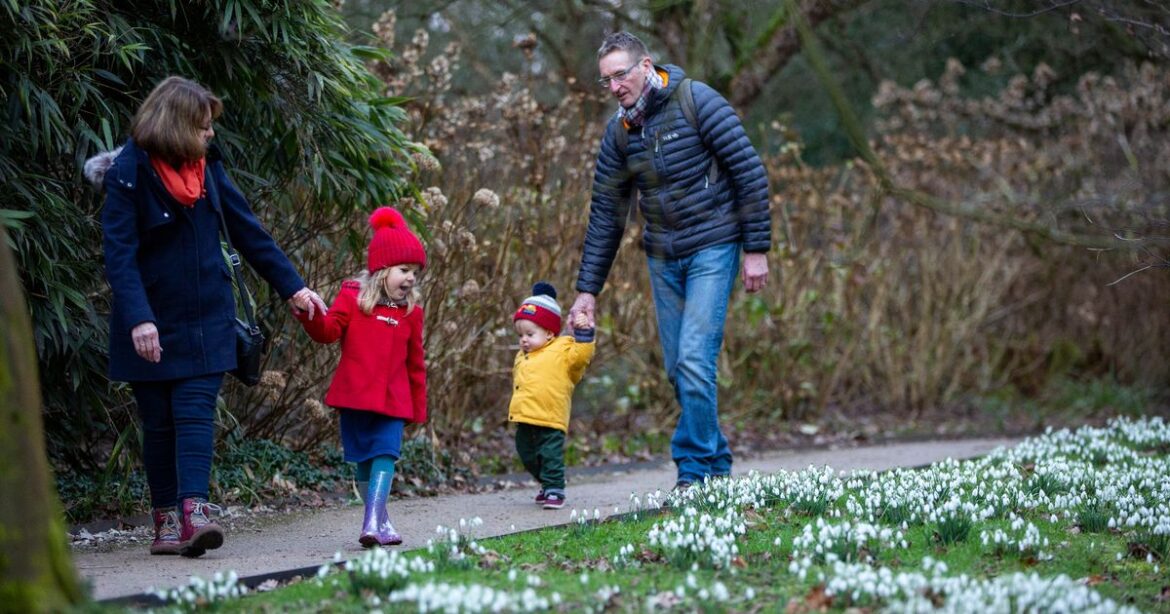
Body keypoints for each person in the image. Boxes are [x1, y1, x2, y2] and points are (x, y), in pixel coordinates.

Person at [89, 76, 328, 558]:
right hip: (150, 323)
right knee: (158, 423)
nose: (211, 134)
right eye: (203, 127)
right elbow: (120, 255)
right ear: (177, 126)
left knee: (195, 414)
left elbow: (248, 231)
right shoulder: (128, 175)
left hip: (207, 318)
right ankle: (165, 521)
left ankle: (194, 513)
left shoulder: (207, 170)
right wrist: (139, 318)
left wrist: (294, 287)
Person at [569, 32, 772, 492]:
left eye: (621, 74)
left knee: (696, 359)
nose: (615, 86)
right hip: (663, 255)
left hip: (714, 246)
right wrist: (587, 291)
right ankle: (716, 463)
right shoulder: (619, 134)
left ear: (646, 66)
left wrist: (756, 249)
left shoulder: (696, 100)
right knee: (678, 367)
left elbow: (748, 170)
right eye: (606, 80)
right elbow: (606, 215)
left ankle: (694, 471)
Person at [294, 207, 427, 547]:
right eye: (404, 270)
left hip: (394, 401)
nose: (411, 278)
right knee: (364, 462)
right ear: (382, 269)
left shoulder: (412, 314)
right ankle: (378, 522)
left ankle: (371, 521)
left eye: (415, 272)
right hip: (355, 398)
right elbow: (327, 331)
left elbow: (416, 365)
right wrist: (310, 315)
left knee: (386, 452)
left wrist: (418, 409)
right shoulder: (353, 298)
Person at [508, 282, 596, 510]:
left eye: (530, 334)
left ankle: (555, 487)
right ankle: (548, 482)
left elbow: (581, 357)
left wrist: (584, 333)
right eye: (520, 335)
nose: (524, 340)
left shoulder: (563, 350)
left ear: (549, 333)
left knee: (550, 454)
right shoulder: (523, 356)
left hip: (551, 416)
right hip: (525, 416)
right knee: (526, 453)